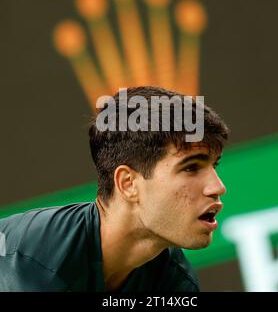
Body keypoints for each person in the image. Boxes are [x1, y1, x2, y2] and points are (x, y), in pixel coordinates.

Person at [0, 86, 229, 292]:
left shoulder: (175, 281)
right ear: (128, 184)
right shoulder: (34, 264)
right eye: (190, 168)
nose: (217, 187)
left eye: (213, 166)